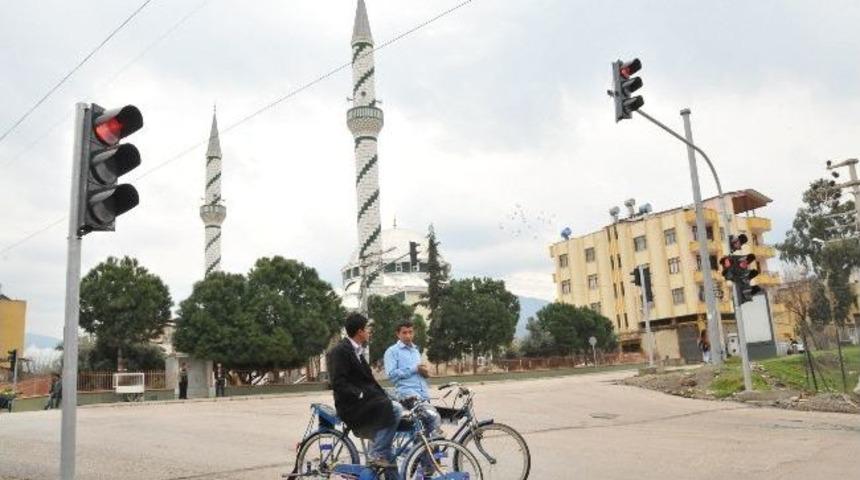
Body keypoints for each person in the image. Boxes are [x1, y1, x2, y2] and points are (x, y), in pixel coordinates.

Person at [328, 313, 401, 470]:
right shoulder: (340, 351)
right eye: (367, 328)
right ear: (360, 331)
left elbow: (369, 382)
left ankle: (381, 453)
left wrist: (392, 395)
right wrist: (360, 394)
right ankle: (376, 453)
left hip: (366, 403)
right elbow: (338, 383)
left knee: (390, 455)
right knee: (395, 409)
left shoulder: (358, 351)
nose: (370, 331)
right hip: (352, 406)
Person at [384, 319, 441, 438]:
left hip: (423, 395)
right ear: (398, 334)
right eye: (404, 332)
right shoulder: (392, 351)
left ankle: (423, 455)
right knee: (434, 418)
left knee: (423, 431)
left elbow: (417, 372)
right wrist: (414, 369)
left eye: (410, 332)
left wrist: (425, 373)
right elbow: (392, 375)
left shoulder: (415, 350)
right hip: (408, 396)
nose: (408, 335)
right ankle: (432, 453)